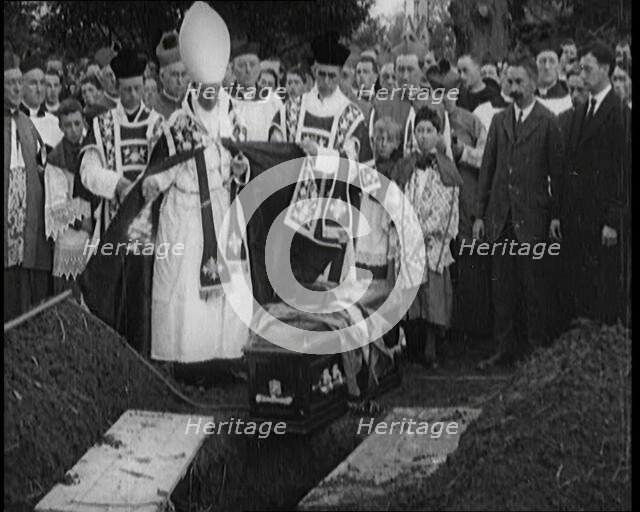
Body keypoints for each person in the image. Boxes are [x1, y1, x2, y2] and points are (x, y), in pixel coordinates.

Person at [139, 1, 251, 378]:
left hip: (221, 208)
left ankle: (224, 356)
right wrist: (149, 184)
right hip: (185, 215)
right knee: (185, 289)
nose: (208, 92)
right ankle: (188, 364)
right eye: (202, 85)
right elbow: (160, 171)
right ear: (193, 83)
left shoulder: (231, 117)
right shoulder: (178, 125)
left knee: (227, 285)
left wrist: (240, 168)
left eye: (214, 86)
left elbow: (242, 160)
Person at [473, 56, 564, 368]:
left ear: (534, 83)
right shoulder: (499, 121)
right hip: (501, 217)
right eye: (509, 81)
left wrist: (554, 216)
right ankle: (503, 349)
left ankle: (535, 351)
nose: (513, 87)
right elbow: (487, 170)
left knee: (533, 288)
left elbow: (558, 174)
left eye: (519, 81)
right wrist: (480, 215)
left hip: (533, 218)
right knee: (502, 288)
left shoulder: (548, 121)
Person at [76, 47, 164, 354]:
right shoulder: (101, 125)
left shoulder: (157, 125)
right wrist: (117, 184)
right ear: (116, 87)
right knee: (111, 284)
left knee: (141, 287)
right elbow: (87, 172)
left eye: (137, 89)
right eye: (126, 90)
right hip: (114, 218)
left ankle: (142, 353)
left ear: (144, 86)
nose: (132, 96)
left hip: (147, 222)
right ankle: (110, 351)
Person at [269, 30, 373, 286]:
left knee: (324, 297)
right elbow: (274, 147)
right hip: (290, 212)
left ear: (340, 75)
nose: (326, 82)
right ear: (314, 70)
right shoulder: (293, 107)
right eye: (321, 74)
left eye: (332, 76)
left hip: (331, 219)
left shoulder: (351, 115)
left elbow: (357, 167)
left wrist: (320, 154)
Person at [559, 40, 631, 327]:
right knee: (582, 289)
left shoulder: (620, 113)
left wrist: (614, 219)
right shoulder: (580, 110)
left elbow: (625, 170)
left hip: (604, 220)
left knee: (604, 290)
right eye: (580, 68)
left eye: (588, 69)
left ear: (605, 69)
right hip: (578, 216)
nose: (583, 74)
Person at [391, 106, 462, 368]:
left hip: (431, 240)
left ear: (438, 134)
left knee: (432, 293)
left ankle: (432, 346)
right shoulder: (406, 165)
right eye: (419, 130)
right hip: (408, 238)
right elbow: (397, 198)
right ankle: (412, 342)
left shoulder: (446, 168)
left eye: (429, 131)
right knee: (411, 291)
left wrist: (422, 231)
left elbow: (446, 208)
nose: (423, 136)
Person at [426, 60, 490, 341]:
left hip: (466, 202)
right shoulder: (427, 122)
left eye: (449, 92)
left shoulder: (471, 120)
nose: (443, 98)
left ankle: (470, 329)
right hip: (436, 208)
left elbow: (487, 157)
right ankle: (439, 331)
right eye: (437, 92)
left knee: (468, 264)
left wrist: (462, 151)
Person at [4, 50, 52, 320]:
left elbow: (40, 161)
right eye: (10, 83)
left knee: (23, 272)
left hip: (25, 211)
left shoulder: (26, 123)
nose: (16, 88)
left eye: (18, 83)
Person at [44, 99, 92, 295]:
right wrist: (83, 221)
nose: (74, 130)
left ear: (84, 123)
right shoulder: (56, 160)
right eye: (68, 125)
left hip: (95, 235)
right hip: (71, 236)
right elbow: (56, 206)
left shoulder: (92, 149)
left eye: (77, 123)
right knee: (71, 296)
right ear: (60, 127)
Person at [229, 41, 282, 141]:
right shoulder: (224, 99)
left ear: (259, 68)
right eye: (241, 65)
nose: (248, 70)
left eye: (252, 64)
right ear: (233, 69)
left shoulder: (273, 101)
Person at [19, 54, 63, 152]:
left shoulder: (55, 122)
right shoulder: (11, 120)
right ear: (21, 86)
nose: (39, 89)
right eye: (33, 83)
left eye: (42, 83)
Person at [155, 30, 189, 119]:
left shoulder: (195, 103)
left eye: (184, 74)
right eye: (174, 75)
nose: (180, 81)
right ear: (162, 76)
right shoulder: (152, 108)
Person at [534, 44, 572, 115]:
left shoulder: (568, 101)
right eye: (542, 61)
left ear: (558, 66)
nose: (547, 67)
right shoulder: (527, 97)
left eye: (552, 61)